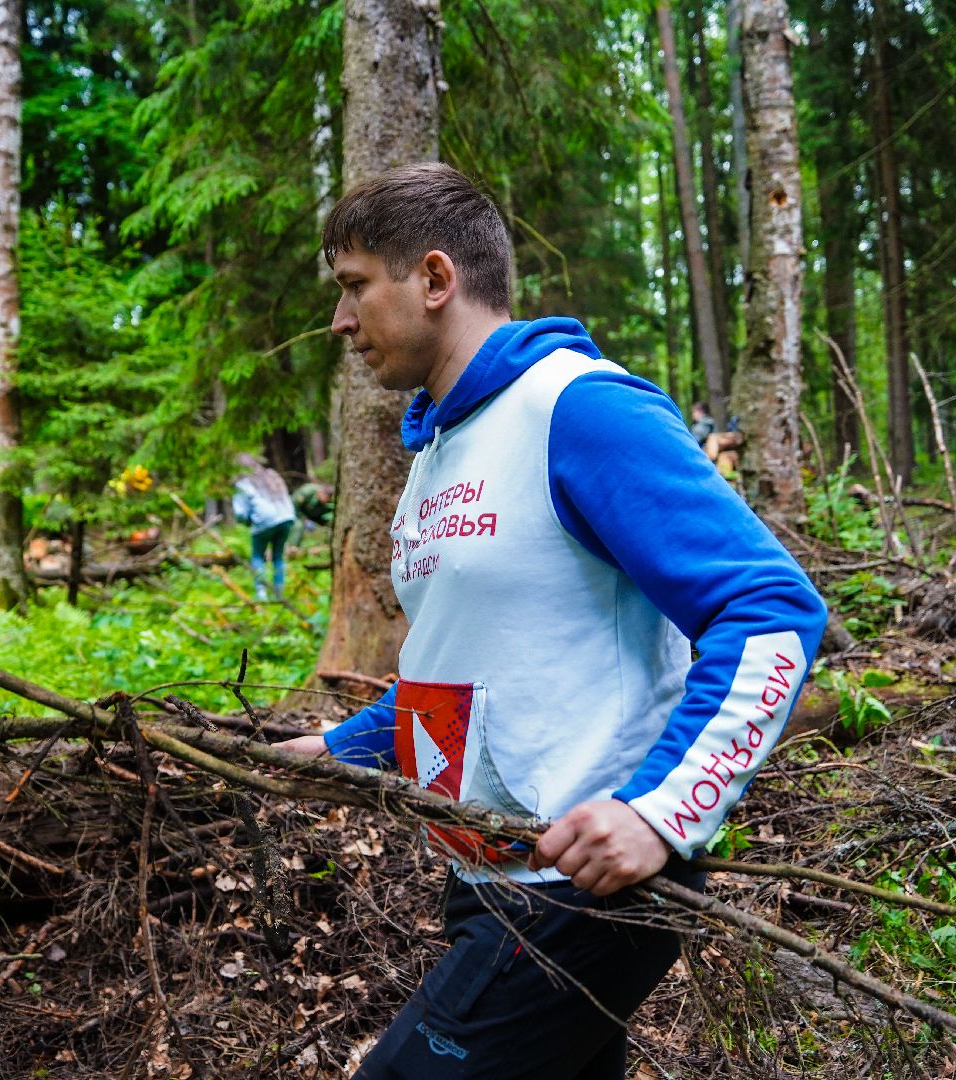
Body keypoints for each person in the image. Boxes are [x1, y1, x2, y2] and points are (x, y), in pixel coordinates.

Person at [275, 163, 828, 1078]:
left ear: (435, 279)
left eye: (354, 285)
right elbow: (467, 665)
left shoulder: (578, 408)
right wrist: (346, 747)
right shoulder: (441, 446)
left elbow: (770, 611)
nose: (339, 320)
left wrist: (659, 813)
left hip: (580, 894)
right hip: (488, 875)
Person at [231, 452, 295, 601]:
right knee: (278, 556)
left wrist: (247, 520)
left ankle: (261, 593)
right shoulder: (271, 475)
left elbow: (240, 513)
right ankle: (279, 593)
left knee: (258, 556)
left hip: (264, 520)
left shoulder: (242, 483)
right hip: (286, 517)